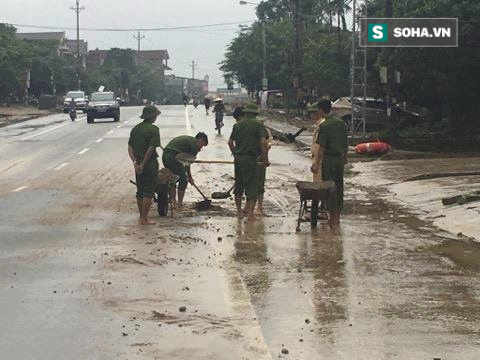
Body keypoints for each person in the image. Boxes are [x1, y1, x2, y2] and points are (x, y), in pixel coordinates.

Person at [228, 103, 270, 220]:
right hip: (251, 159)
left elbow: (230, 142)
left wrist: (236, 154)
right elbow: (263, 142)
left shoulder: (237, 125)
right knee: (252, 186)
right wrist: (265, 159)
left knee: (239, 185)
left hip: (238, 159)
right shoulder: (258, 125)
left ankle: (239, 212)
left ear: (245, 113)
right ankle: (251, 214)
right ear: (256, 114)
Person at [311, 99, 348, 226]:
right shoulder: (341, 123)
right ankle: (336, 218)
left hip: (329, 160)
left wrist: (316, 164)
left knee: (329, 189)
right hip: (339, 160)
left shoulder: (325, 126)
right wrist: (345, 158)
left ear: (321, 110)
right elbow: (345, 143)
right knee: (338, 188)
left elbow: (321, 147)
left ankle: (332, 219)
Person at [128, 105, 162, 225]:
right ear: (152, 116)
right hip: (149, 163)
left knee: (140, 190)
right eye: (156, 116)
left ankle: (141, 216)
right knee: (148, 191)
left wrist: (135, 163)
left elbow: (130, 147)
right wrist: (143, 164)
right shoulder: (154, 129)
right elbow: (151, 148)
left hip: (137, 162)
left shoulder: (136, 129)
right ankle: (144, 218)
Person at [162, 132, 209, 210]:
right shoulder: (194, 145)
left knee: (173, 179)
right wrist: (189, 177)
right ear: (200, 140)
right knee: (183, 180)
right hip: (172, 157)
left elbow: (184, 161)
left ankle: (174, 203)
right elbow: (187, 163)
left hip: (166, 156)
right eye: (202, 145)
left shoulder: (190, 140)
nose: (201, 148)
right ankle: (179, 204)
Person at [308, 102, 326, 182]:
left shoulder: (321, 125)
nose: (311, 115)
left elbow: (319, 145)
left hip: (319, 158)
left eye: (312, 112)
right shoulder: (319, 124)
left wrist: (316, 162)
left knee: (318, 181)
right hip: (318, 157)